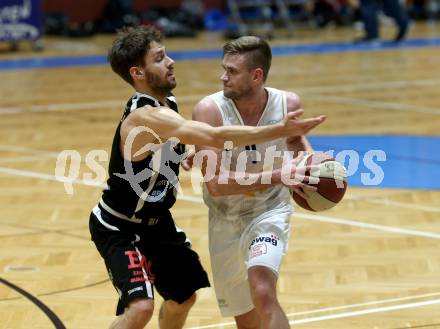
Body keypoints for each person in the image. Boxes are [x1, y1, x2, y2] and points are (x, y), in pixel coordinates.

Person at [88, 26, 325, 329]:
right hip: (119, 224)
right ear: (138, 72)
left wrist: (183, 154)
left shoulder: (167, 104)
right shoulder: (143, 115)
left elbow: (165, 144)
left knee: (183, 298)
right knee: (141, 308)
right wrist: (280, 129)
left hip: (157, 224)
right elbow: (215, 135)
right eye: (160, 58)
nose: (171, 61)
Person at [190, 36, 319, 329]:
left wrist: (314, 171)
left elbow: (298, 149)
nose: (223, 76)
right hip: (223, 218)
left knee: (262, 292)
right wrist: (277, 175)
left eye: (232, 71)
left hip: (269, 211)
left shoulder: (288, 103)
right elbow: (217, 185)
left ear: (256, 75)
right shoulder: (208, 111)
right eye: (224, 68)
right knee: (246, 319)